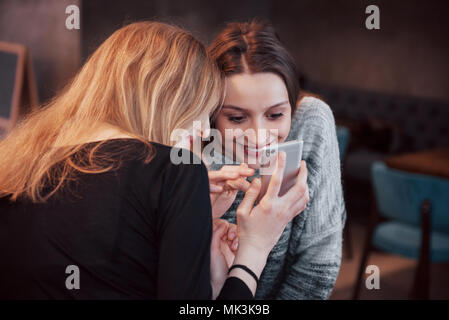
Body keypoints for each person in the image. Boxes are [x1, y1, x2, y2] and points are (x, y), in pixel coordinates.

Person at [0, 21, 299, 299]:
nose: (202, 130)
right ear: (171, 100)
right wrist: (254, 250)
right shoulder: (177, 171)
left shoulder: (21, 162)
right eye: (201, 109)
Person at [206, 18, 346, 299]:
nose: (259, 137)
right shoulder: (191, 144)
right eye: (236, 117)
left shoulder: (310, 123)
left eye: (275, 115)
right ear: (210, 114)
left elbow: (318, 268)